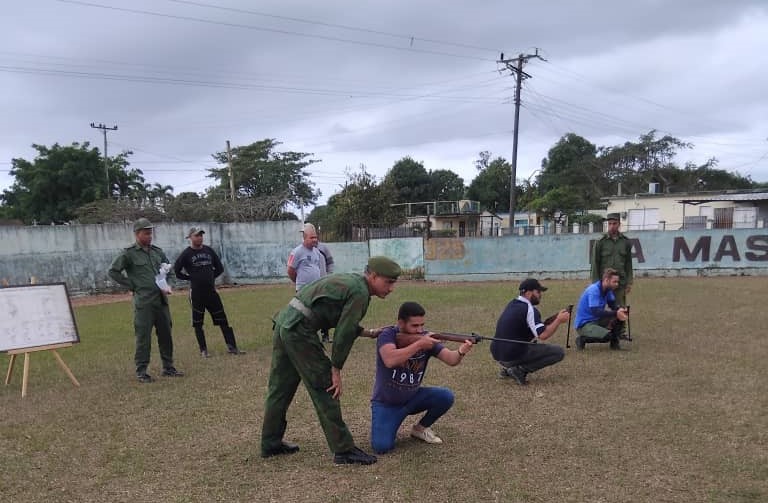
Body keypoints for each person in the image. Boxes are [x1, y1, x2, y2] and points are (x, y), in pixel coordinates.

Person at [261, 256, 402, 466]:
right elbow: (343, 333)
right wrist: (335, 369)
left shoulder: (353, 281)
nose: (391, 289)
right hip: (299, 331)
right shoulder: (360, 293)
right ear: (372, 276)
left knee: (279, 388)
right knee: (327, 387)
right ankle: (343, 450)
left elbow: (338, 317)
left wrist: (369, 332)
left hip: (286, 323)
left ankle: (270, 442)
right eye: (388, 282)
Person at [370, 301, 474, 454]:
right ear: (401, 323)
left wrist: (461, 351)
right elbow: (390, 359)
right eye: (414, 326)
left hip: (412, 397)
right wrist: (419, 344)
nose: (420, 330)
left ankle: (420, 429)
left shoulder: (426, 338)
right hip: (387, 404)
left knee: (445, 396)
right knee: (382, 447)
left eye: (422, 325)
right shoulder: (388, 335)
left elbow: (451, 359)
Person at [108, 218, 184, 383]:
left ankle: (168, 367)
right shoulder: (128, 253)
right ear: (137, 234)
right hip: (144, 303)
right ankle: (142, 371)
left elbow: (168, 269)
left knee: (166, 335)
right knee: (144, 337)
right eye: (146, 233)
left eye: (151, 232)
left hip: (161, 301)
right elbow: (113, 271)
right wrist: (132, 285)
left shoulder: (157, 252)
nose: (150, 236)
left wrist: (168, 285)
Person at [173, 227, 244, 357]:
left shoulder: (209, 251)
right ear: (190, 238)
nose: (199, 237)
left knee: (223, 320)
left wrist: (210, 277)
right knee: (198, 323)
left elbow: (220, 268)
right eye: (196, 235)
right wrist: (190, 278)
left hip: (211, 292)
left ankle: (232, 347)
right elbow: (176, 270)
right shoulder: (186, 254)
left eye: (201, 235)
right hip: (196, 294)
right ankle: (203, 350)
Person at [491, 278, 570, 386]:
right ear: (528, 293)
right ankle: (520, 370)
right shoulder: (529, 309)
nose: (540, 295)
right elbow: (543, 335)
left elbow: (535, 327)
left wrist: (554, 318)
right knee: (558, 352)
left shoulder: (513, 304)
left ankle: (507, 369)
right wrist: (559, 321)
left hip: (498, 355)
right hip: (511, 356)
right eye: (538, 292)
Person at [591, 213, 633, 337]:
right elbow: (595, 263)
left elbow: (628, 263)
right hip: (604, 283)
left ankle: (621, 331)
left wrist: (629, 281)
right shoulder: (600, 242)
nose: (612, 226)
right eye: (609, 224)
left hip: (620, 281)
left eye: (614, 223)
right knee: (600, 307)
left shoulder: (625, 242)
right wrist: (595, 283)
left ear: (619, 224)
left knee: (620, 305)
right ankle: (601, 329)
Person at [574, 268, 630, 351]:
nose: (617, 284)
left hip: (597, 320)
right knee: (608, 336)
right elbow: (596, 312)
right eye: (614, 282)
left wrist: (621, 310)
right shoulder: (594, 290)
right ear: (606, 280)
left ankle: (614, 345)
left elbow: (612, 305)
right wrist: (616, 313)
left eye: (617, 282)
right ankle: (582, 339)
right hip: (585, 324)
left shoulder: (608, 290)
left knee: (620, 316)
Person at [287, 223, 323, 292]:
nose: (315, 240)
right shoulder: (297, 252)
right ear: (305, 238)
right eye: (312, 237)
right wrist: (299, 282)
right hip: (303, 290)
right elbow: (290, 271)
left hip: (315, 289)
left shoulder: (316, 252)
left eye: (315, 237)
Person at [316, 238, 334, 343]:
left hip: (323, 283)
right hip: (309, 285)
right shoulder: (303, 250)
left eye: (314, 236)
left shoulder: (323, 248)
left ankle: (325, 336)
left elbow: (330, 262)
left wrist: (328, 275)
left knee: (324, 310)